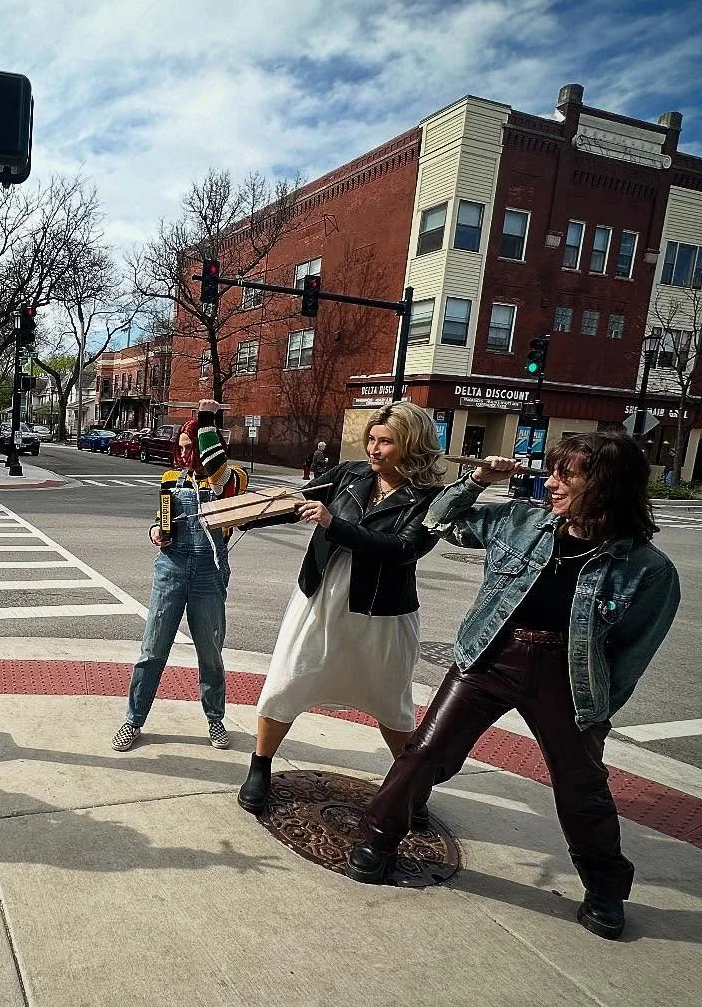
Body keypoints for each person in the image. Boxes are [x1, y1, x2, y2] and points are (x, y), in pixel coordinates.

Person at [346, 433, 680, 940]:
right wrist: (478, 479)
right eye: (552, 472)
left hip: (569, 678)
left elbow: (632, 653)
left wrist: (595, 708)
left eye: (566, 476)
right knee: (426, 750)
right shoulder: (523, 522)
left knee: (581, 787)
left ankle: (605, 888)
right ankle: (379, 839)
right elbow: (437, 520)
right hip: (489, 655)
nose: (551, 484)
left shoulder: (649, 570)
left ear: (606, 485)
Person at [237, 401, 445, 817]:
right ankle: (260, 767)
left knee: (391, 702)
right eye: (371, 439)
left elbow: (403, 549)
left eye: (386, 441)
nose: (374, 449)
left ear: (411, 444)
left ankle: (409, 787)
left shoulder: (428, 498)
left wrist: (335, 524)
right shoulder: (349, 475)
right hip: (319, 596)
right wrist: (239, 515)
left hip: (382, 611)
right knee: (286, 683)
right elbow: (294, 501)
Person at [112, 403, 247, 752]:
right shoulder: (171, 478)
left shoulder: (231, 479)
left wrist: (206, 424)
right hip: (170, 568)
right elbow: (161, 517)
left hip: (209, 572)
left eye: (193, 447)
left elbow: (218, 483)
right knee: (152, 649)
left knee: (210, 651)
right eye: (183, 447)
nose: (186, 454)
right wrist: (156, 531)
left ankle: (215, 720)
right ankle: (133, 719)